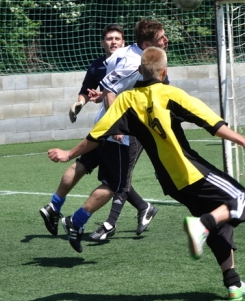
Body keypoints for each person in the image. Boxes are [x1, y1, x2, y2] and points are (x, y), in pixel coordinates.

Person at [48, 47, 245, 301]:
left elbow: (96, 135)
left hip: (170, 181)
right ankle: (201, 225)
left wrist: (68, 154)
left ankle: (233, 284)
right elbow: (212, 123)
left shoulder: (127, 101)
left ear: (140, 70)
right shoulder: (171, 94)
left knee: (221, 222)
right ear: (164, 72)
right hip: (191, 171)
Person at [39, 22, 158, 242]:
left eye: (117, 39)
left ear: (124, 42)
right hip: (119, 128)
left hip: (111, 125)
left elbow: (116, 90)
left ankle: (57, 207)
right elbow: (109, 90)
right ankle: (98, 222)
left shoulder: (125, 59)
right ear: (103, 42)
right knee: (117, 181)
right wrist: (86, 103)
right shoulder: (126, 62)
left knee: (110, 175)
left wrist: (101, 97)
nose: (113, 42)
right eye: (109, 39)